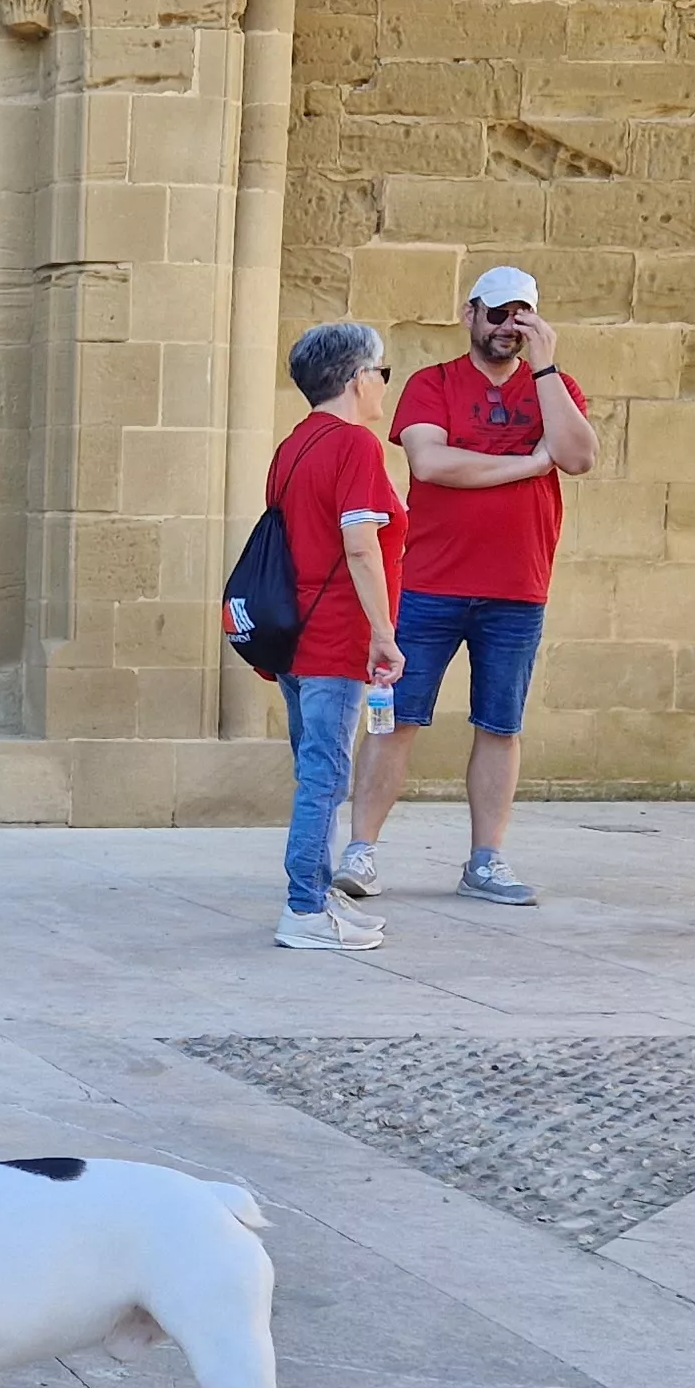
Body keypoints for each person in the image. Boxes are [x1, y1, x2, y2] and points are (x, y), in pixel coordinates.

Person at [341, 266, 592, 908]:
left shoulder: (553, 388)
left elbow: (581, 455)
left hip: (517, 587)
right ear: (471, 313)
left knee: (500, 726)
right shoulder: (433, 384)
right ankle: (361, 853)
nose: (509, 327)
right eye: (499, 313)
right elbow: (432, 463)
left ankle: (486, 860)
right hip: (429, 583)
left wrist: (546, 369)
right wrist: (531, 463)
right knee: (397, 720)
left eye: (522, 316)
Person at [267, 322, 405, 953]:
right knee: (324, 776)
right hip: (334, 639)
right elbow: (360, 543)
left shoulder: (294, 444)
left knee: (315, 768)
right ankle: (302, 908)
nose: (384, 385)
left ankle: (318, 895)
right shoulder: (355, 446)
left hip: (295, 639)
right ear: (356, 378)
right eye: (382, 372)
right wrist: (383, 633)